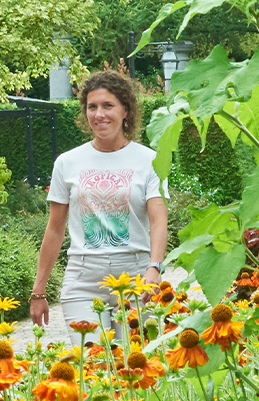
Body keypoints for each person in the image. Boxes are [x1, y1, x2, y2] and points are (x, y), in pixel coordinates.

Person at [30, 69, 167, 344]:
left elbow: (158, 219)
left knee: (136, 366)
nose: (99, 114)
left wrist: (154, 268)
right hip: (83, 278)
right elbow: (55, 229)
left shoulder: (150, 160)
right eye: (92, 107)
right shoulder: (67, 163)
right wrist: (38, 291)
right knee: (92, 364)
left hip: (137, 275)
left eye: (108, 106)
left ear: (125, 110)